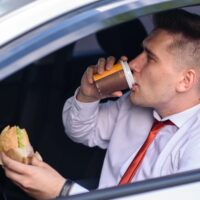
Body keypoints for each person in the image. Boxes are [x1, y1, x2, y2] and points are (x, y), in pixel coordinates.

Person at [1, 8, 200, 200]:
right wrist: (88, 96)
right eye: (141, 52)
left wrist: (62, 192)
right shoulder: (134, 103)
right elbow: (81, 131)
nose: (132, 64)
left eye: (150, 58)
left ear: (185, 81)